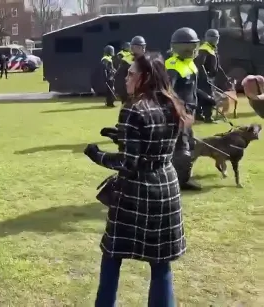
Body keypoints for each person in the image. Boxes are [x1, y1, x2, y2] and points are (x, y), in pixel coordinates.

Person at [85, 53, 190, 307]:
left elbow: (127, 163)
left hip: (136, 191)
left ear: (143, 78)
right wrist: (121, 137)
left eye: (131, 74)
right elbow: (153, 146)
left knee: (112, 256)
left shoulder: (133, 109)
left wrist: (97, 155)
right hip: (166, 187)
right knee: (160, 264)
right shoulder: (172, 103)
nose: (126, 77)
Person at [165, 27, 202, 191]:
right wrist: (179, 111)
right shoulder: (172, 66)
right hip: (179, 114)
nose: (194, 50)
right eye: (191, 47)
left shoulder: (190, 64)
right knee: (181, 148)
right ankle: (178, 181)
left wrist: (207, 100)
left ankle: (183, 178)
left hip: (189, 112)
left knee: (190, 145)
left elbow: (192, 89)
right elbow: (168, 92)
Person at [195, 29, 220, 123]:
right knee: (208, 98)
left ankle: (199, 115)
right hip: (204, 78)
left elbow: (216, 65)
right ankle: (208, 117)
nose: (216, 40)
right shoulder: (204, 49)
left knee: (201, 97)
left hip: (207, 78)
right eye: (215, 38)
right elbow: (199, 64)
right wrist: (206, 77)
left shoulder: (211, 48)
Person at [115, 36, 146, 104]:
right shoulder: (126, 61)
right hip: (130, 96)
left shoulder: (146, 61)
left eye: (143, 47)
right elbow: (120, 80)